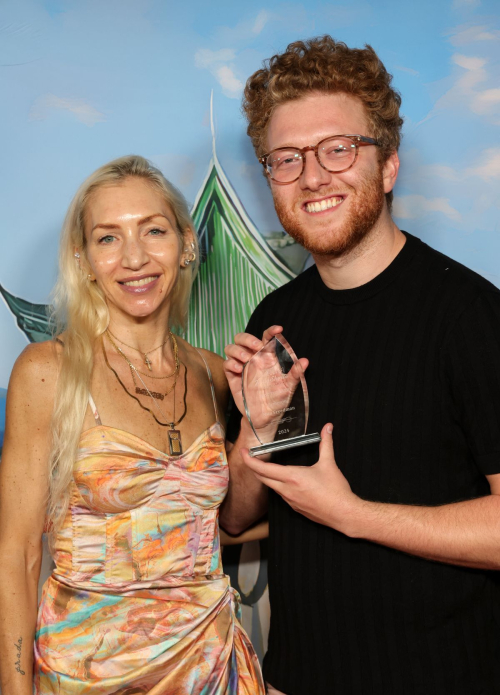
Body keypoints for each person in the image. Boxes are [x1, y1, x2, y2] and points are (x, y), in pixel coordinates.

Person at [222, 36, 500, 695]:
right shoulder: (274, 319)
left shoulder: (470, 315)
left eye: (337, 149)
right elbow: (234, 520)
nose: (312, 176)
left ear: (390, 165)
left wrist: (355, 514)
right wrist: (253, 431)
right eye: (286, 159)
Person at [0, 155, 265, 695]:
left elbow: (239, 518)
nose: (135, 258)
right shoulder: (48, 372)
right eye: (108, 238)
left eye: (154, 230)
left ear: (186, 243)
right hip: (88, 676)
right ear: (83, 258)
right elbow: (20, 553)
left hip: (211, 669)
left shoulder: (216, 375)